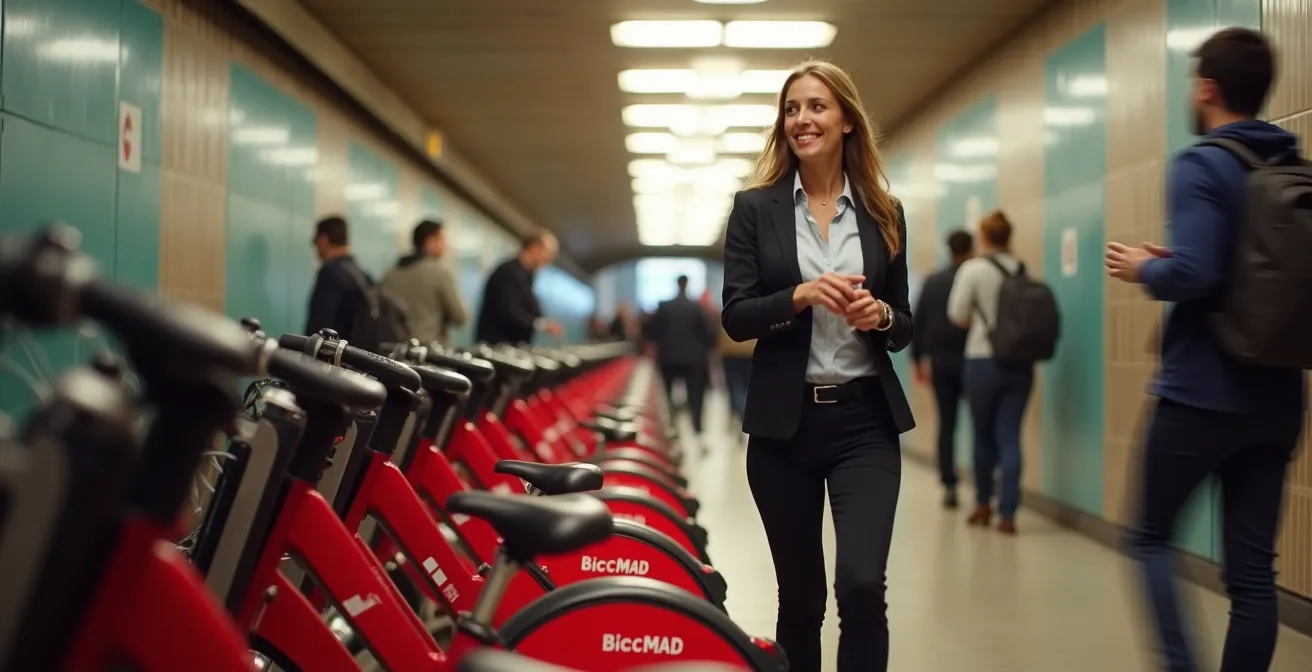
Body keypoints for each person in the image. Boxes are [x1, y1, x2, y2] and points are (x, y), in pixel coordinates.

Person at [1106, 28, 1305, 672]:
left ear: (1209, 89)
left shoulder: (1201, 163)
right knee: (1252, 577)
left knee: (1146, 537)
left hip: (1199, 393)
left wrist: (1143, 268)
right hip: (1277, 397)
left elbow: (1196, 273)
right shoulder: (1288, 164)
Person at [720, 59, 913, 672]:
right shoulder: (755, 209)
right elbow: (737, 316)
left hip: (865, 424)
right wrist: (799, 296)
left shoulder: (885, 211)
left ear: (847, 121)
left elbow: (904, 322)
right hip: (784, 428)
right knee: (799, 601)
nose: (802, 119)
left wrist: (877, 315)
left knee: (860, 585)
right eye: (792, 109)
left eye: (817, 106)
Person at [945, 210, 1031, 535]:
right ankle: (1008, 514)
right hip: (1019, 363)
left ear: (984, 237)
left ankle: (983, 503)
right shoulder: (1021, 269)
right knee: (1010, 436)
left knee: (983, 435)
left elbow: (958, 314)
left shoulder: (973, 268)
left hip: (982, 360)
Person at [910, 229, 973, 508]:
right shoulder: (974, 278)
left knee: (947, 424)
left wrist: (917, 361)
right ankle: (986, 490)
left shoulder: (933, 281)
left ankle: (949, 485)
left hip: (941, 362)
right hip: (973, 361)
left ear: (948, 250)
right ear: (971, 250)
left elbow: (918, 322)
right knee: (982, 425)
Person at [645, 276, 717, 440]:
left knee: (667, 394)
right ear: (687, 285)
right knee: (695, 396)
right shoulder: (696, 307)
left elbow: (651, 330)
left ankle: (670, 428)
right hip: (694, 358)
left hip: (668, 357)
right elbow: (708, 334)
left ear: (677, 284)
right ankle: (697, 428)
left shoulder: (664, 306)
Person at [378, 219, 468, 346]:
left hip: (393, 352)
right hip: (428, 355)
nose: (446, 246)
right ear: (430, 241)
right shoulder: (439, 273)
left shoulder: (389, 273)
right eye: (442, 240)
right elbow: (460, 317)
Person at [474, 231, 563, 346]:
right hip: (497, 346)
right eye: (548, 254)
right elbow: (509, 312)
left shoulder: (527, 276)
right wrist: (542, 324)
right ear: (535, 248)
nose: (548, 260)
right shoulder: (508, 272)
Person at [305, 215, 367, 338]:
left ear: (323, 240)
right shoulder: (360, 273)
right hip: (353, 352)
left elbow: (319, 326)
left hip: (333, 353)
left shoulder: (331, 273)